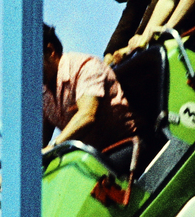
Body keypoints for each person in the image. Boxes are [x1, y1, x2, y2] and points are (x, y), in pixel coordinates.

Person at [43, 24, 140, 174]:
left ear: (50, 51)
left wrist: (53, 147)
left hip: (124, 145)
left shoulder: (85, 67)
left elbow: (87, 115)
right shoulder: (43, 93)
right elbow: (37, 142)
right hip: (89, 158)